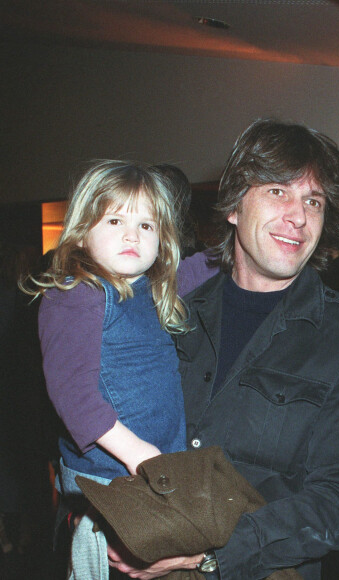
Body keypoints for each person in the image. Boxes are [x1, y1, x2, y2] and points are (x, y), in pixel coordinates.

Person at [108, 119, 339, 579]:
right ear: (235, 204)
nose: (298, 216)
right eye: (278, 191)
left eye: (313, 201)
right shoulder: (171, 319)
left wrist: (209, 554)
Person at [24, 160, 216, 578]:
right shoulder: (77, 293)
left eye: (147, 226)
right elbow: (72, 395)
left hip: (144, 465)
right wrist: (138, 455)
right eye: (115, 219)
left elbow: (193, 271)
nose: (133, 234)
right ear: (81, 231)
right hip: (110, 471)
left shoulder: (144, 286)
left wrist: (233, 252)